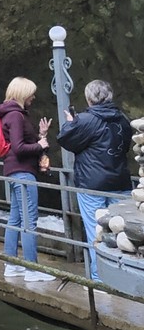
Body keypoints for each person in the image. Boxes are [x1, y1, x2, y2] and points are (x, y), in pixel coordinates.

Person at [57, 78, 132, 279]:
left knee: (95, 231)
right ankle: (123, 278)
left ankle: (99, 279)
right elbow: (125, 148)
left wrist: (71, 124)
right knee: (121, 232)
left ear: (89, 99)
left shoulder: (85, 120)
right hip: (120, 181)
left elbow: (65, 139)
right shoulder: (122, 119)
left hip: (91, 184)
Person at [0, 77, 53, 283]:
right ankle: (31, 269)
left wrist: (40, 136)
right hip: (23, 173)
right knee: (29, 221)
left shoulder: (9, 115)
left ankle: (11, 266)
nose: (34, 97)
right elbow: (19, 148)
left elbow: (21, 143)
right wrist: (41, 144)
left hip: (15, 172)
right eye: (31, 93)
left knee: (16, 218)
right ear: (23, 94)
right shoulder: (16, 116)